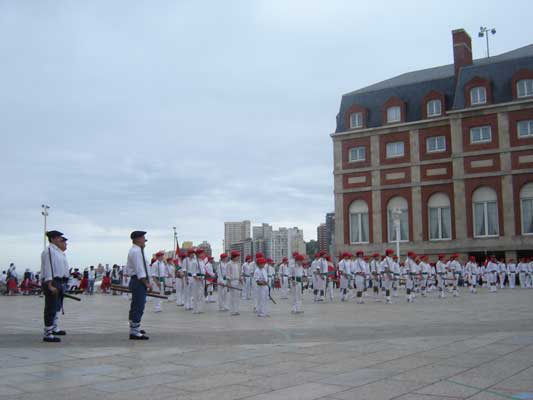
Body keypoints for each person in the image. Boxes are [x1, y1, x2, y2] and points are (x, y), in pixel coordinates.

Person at [40, 230, 69, 343]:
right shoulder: (49, 251)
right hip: (52, 281)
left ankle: (54, 328)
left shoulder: (59, 252)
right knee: (51, 307)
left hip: (60, 281)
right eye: (58, 238)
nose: (60, 240)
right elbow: (49, 268)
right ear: (52, 239)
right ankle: (48, 333)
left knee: (57, 306)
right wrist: (50, 284)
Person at [126, 230, 152, 340]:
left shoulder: (138, 250)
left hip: (138, 280)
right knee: (138, 306)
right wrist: (146, 283)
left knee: (136, 305)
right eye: (143, 239)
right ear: (137, 239)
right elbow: (140, 270)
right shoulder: (136, 252)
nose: (144, 241)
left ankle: (134, 328)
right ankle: (134, 332)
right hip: (138, 281)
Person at [227, 250, 242, 315]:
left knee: (237, 296)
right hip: (232, 281)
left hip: (237, 281)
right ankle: (232, 311)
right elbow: (228, 274)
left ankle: (236, 310)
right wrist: (229, 283)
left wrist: (240, 279)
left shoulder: (238, 264)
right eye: (237, 257)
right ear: (233, 257)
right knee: (232, 296)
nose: (238, 258)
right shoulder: (229, 264)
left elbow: (240, 272)